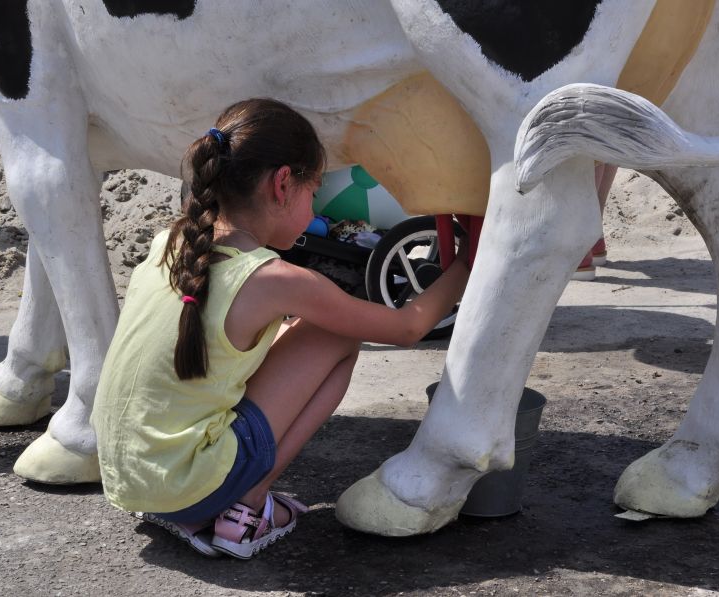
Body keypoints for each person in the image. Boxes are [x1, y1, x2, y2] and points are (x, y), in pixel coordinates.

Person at [91, 98, 470, 560]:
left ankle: (194, 501)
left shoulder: (170, 244)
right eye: (315, 191)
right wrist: (470, 262)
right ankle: (245, 510)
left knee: (297, 332)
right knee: (337, 334)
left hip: (129, 477)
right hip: (187, 487)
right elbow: (408, 327)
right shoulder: (272, 279)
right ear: (284, 183)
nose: (315, 206)